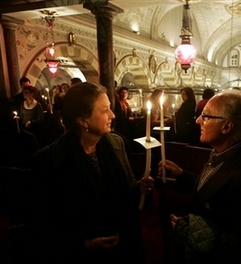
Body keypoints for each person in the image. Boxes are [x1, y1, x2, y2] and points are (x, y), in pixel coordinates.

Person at [29, 82, 154, 262]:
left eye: (110, 108)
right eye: (104, 110)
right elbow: (44, 223)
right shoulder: (49, 160)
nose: (112, 115)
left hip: (124, 244)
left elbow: (126, 190)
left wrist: (140, 188)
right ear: (82, 120)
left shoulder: (116, 144)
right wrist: (84, 244)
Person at [160, 91, 241, 263]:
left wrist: (187, 229)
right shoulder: (224, 155)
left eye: (206, 116)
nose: (197, 121)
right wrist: (181, 174)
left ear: (226, 126)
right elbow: (213, 191)